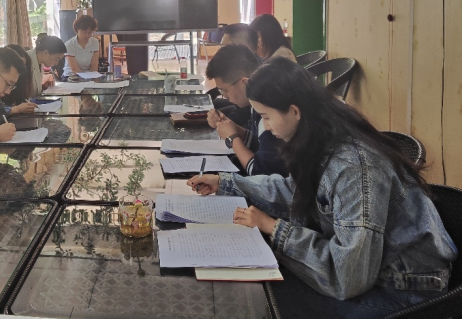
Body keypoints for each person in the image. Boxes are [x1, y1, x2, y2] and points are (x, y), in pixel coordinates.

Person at [189, 58, 456, 319]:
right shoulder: (320, 138)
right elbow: (292, 191)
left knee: (253, 301)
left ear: (294, 111)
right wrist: (227, 182)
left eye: (266, 117)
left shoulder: (353, 169)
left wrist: (275, 228)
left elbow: (347, 277)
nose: (266, 128)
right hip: (372, 275)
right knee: (250, 286)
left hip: (401, 292)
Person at [205, 45, 287, 176]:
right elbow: (257, 143)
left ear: (244, 83)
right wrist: (232, 128)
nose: (224, 96)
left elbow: (260, 173)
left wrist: (232, 138)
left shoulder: (269, 108)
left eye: (224, 90)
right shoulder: (257, 100)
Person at [2, 44, 37, 115]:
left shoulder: (20, 80)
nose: (21, 69)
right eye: (17, 66)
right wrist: (16, 109)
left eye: (23, 65)